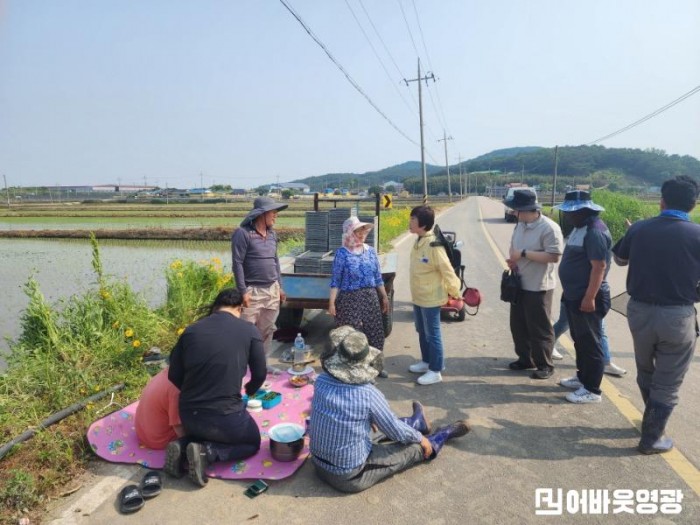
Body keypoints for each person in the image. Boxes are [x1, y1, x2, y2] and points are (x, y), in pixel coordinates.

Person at [309, 326, 470, 493]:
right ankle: (437, 438)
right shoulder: (368, 395)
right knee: (412, 449)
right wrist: (420, 439)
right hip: (349, 475)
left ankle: (416, 422)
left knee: (377, 424)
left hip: (317, 462)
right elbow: (393, 429)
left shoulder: (321, 380)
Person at [612, 176, 700, 454]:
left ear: (662, 201)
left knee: (646, 369)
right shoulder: (697, 234)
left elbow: (620, 259)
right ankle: (652, 437)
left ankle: (651, 422)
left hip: (639, 312)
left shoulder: (639, 229)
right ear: (694, 204)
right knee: (669, 381)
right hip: (677, 315)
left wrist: (633, 234)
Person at [167, 288, 267, 486]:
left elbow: (173, 374)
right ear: (239, 308)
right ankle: (207, 453)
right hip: (224, 418)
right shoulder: (249, 330)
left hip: (189, 416)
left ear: (215, 307)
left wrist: (191, 391)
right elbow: (260, 374)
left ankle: (183, 444)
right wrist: (249, 390)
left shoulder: (191, 330)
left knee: (206, 430)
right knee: (252, 441)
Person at [554, 191, 612, 403]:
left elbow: (599, 267)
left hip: (588, 297)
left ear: (585, 211)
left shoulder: (595, 232)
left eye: (572, 212)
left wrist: (589, 297)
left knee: (591, 343)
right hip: (574, 295)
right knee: (580, 340)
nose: (568, 216)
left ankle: (592, 390)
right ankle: (582, 377)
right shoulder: (580, 228)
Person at [505, 189, 564, 379]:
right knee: (518, 325)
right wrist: (513, 259)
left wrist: (522, 254)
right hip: (519, 282)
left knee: (539, 328)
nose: (514, 213)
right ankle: (525, 359)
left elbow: (554, 256)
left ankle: (545, 364)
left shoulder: (549, 228)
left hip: (538, 286)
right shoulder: (520, 224)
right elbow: (513, 245)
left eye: (516, 210)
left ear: (528, 209)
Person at [406, 205, 462, 385]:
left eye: (413, 219)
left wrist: (456, 293)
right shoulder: (418, 240)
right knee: (422, 331)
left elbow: (447, 271)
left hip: (431, 297)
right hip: (419, 296)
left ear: (422, 224)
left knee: (433, 333)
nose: (410, 222)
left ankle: (436, 370)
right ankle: (426, 361)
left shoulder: (434, 246)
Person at [328, 216, 389, 378]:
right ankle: (353, 371)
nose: (361, 233)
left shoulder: (370, 251)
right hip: (349, 299)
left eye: (363, 230)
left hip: (370, 297)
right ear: (349, 232)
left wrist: (384, 296)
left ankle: (376, 367)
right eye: (357, 230)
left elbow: (377, 277)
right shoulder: (342, 254)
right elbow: (336, 280)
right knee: (352, 336)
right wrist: (332, 303)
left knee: (375, 331)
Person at [232, 196, 289, 356]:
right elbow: (237, 263)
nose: (275, 216)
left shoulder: (272, 235)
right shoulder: (243, 234)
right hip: (252, 291)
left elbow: (275, 261)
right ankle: (242, 367)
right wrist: (243, 291)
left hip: (272, 290)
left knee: (267, 330)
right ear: (262, 214)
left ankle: (261, 365)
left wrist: (280, 287)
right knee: (246, 333)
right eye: (273, 213)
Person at [551, 301, 627, 376]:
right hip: (577, 297)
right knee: (565, 323)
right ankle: (547, 346)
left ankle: (605, 363)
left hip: (592, 299)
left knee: (599, 329)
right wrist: (590, 298)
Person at [134, 367, 184, 450]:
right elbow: (179, 426)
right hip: (160, 440)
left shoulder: (167, 373)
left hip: (142, 433)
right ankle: (181, 449)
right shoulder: (176, 390)